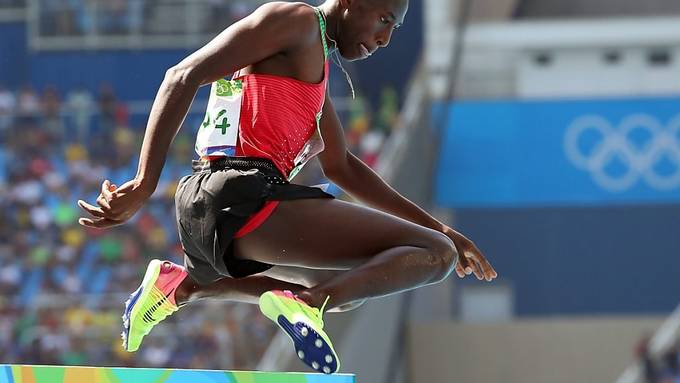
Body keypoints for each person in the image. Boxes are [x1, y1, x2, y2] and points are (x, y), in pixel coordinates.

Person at [77, 0, 497, 374]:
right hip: (242, 193)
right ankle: (306, 306)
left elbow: (343, 166)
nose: (385, 39)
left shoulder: (311, 72)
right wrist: (144, 181)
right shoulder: (295, 22)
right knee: (434, 256)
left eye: (395, 30)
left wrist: (443, 229)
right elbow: (182, 75)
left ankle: (182, 285)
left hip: (211, 208)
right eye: (384, 19)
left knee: (352, 290)